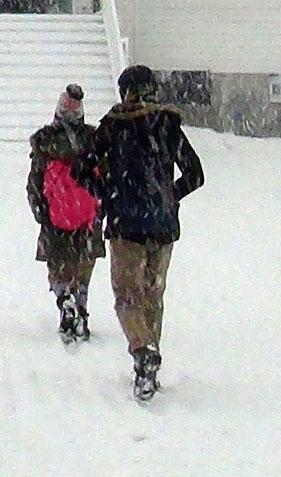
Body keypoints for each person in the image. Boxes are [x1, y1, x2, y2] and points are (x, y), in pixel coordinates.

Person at [81, 65, 204, 400]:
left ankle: (142, 352)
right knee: (153, 293)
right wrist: (168, 197)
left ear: (125, 91)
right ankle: (151, 357)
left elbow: (84, 170)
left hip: (126, 225)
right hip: (163, 227)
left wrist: (109, 192)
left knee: (126, 295)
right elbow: (195, 174)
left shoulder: (113, 126)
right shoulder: (168, 124)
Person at [27, 84, 105, 344]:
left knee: (58, 267)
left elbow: (35, 181)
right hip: (87, 217)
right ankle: (80, 305)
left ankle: (64, 300)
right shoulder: (93, 139)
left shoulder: (45, 141)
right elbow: (104, 178)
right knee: (83, 267)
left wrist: (42, 212)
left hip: (55, 216)